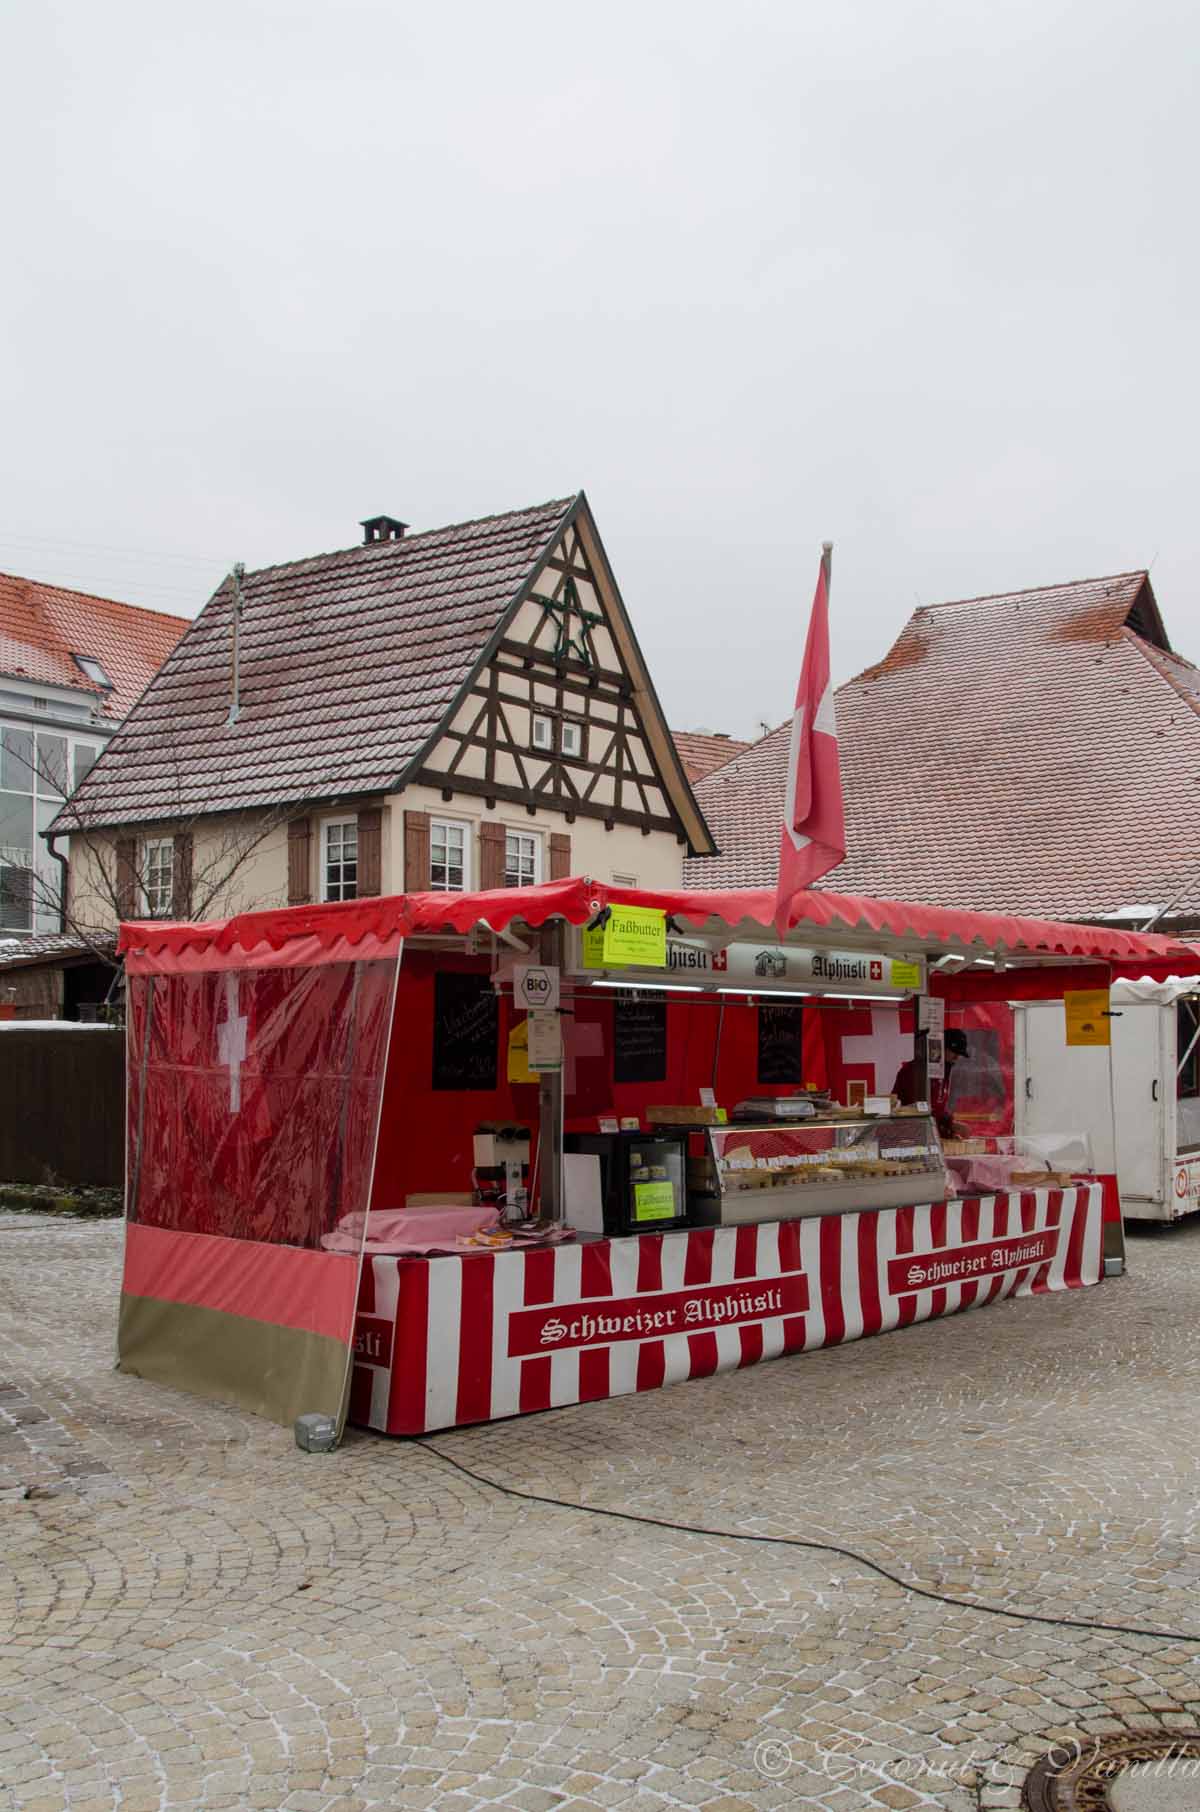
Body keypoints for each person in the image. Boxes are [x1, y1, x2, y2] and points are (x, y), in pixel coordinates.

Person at [892, 1027, 969, 1137]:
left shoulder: (944, 1070)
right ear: (942, 1048)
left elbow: (938, 1106)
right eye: (954, 1052)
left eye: (960, 1054)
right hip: (909, 1134)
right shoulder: (914, 1071)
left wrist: (948, 1127)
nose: (957, 1057)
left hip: (928, 1132)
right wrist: (947, 1127)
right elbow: (915, 1109)